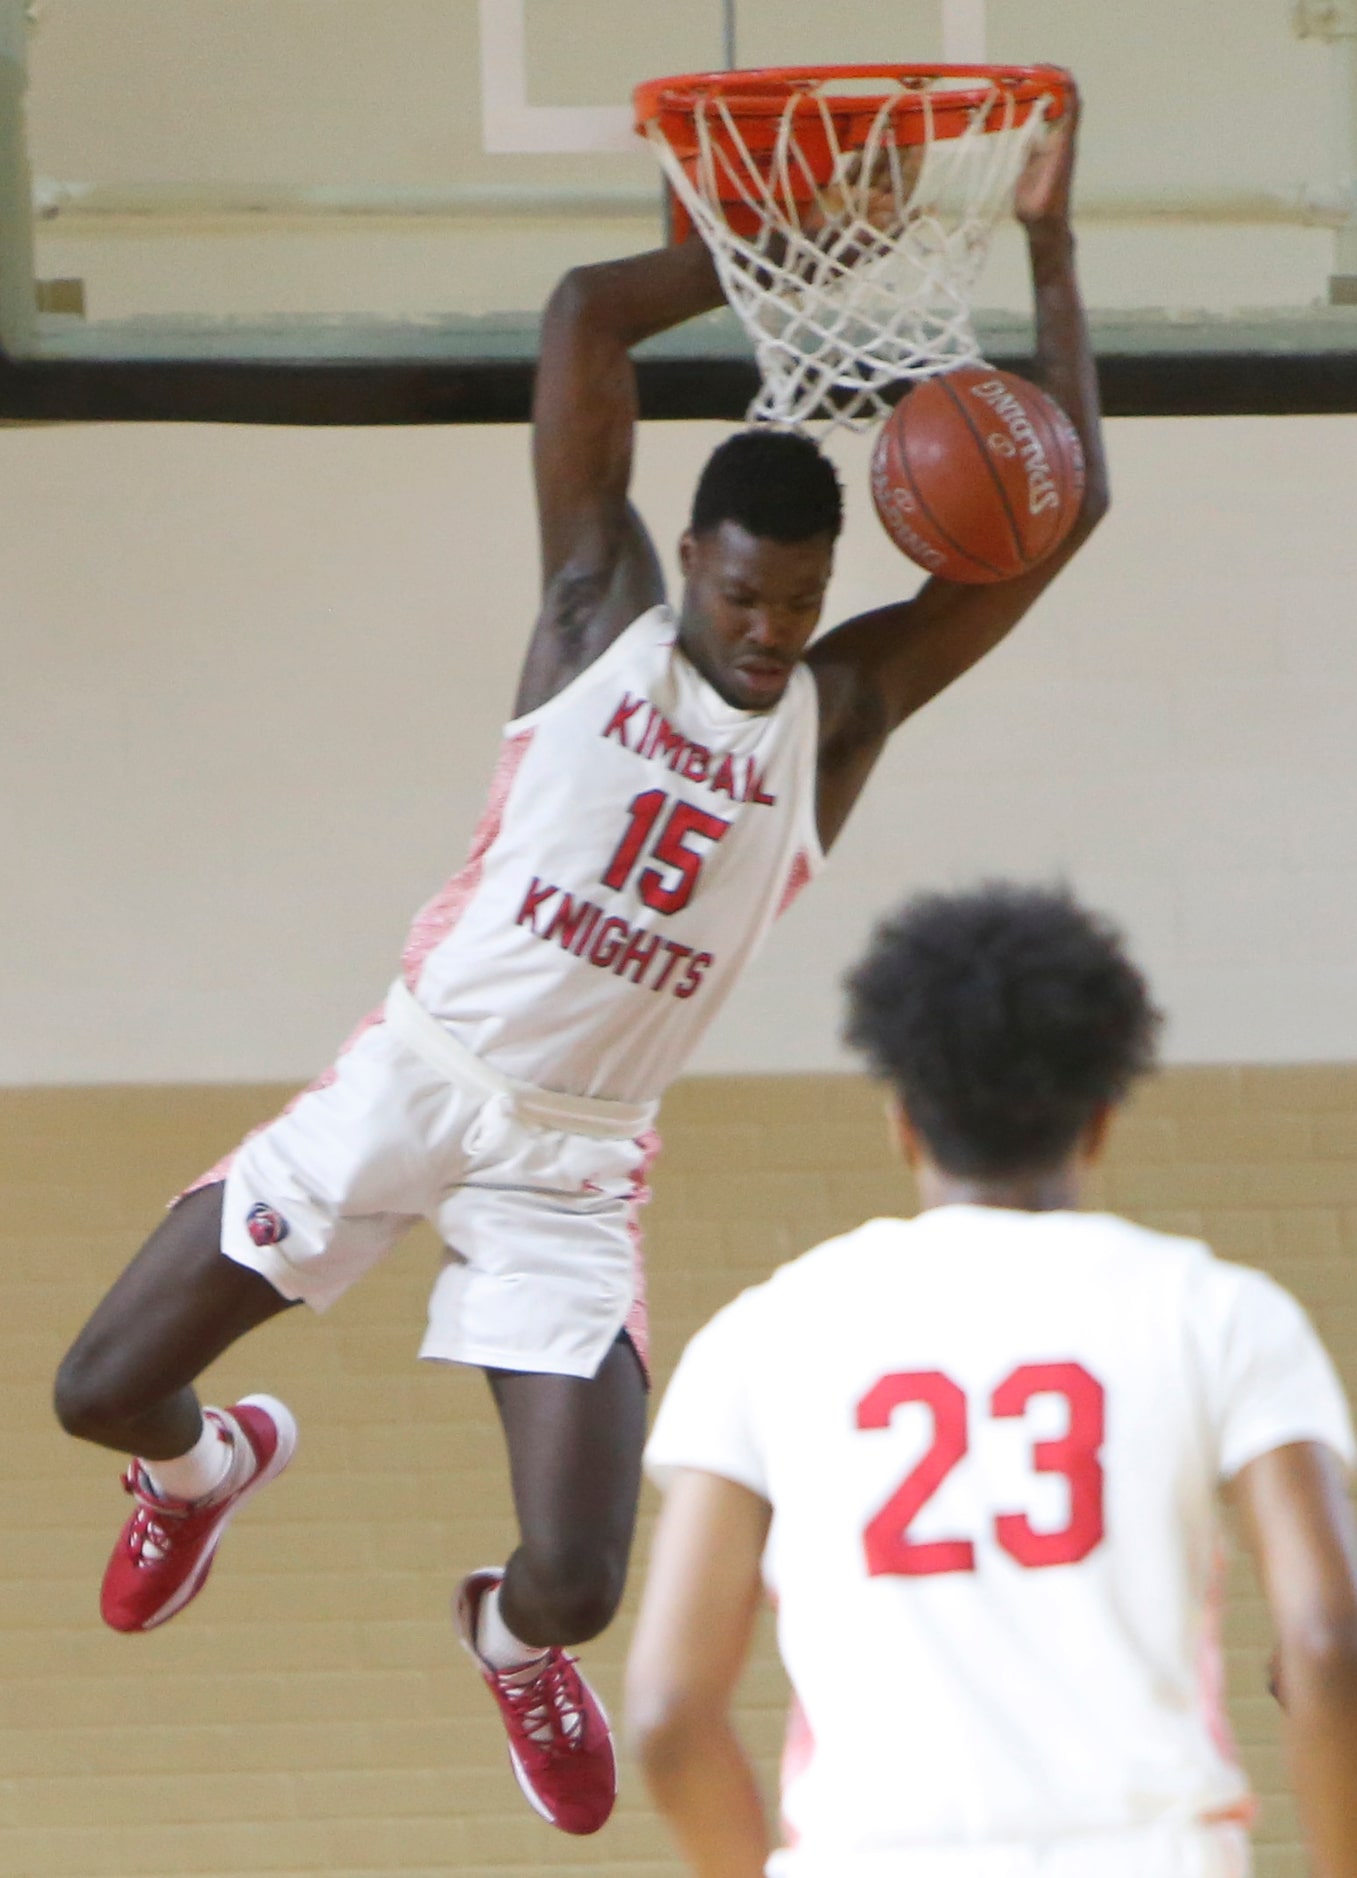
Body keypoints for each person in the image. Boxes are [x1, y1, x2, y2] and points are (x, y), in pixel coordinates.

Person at [53, 100, 1106, 1838]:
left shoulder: (834, 722)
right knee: (97, 1390)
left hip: (570, 1151)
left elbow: (1062, 512)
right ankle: (210, 1462)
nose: (773, 635)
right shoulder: (586, 614)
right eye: (750, 598)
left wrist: (1051, 253)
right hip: (413, 1078)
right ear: (693, 563)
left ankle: (501, 1639)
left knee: (580, 1574)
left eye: (801, 605)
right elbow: (578, 320)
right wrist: (760, 258)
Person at [627, 882, 1357, 1878]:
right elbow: (1325, 1640)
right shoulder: (1219, 1313)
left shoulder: (763, 1336)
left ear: (902, 1122)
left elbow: (669, 1715)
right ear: (1099, 1120)